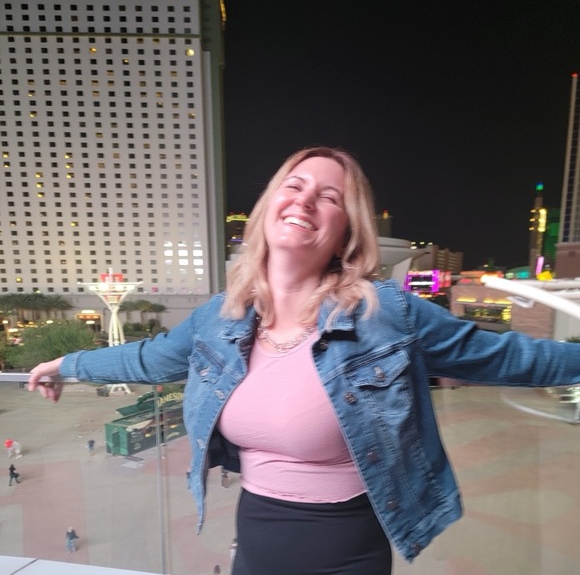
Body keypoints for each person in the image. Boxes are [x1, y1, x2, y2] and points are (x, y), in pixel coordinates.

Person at [27, 146, 580, 574]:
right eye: (294, 186)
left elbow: (512, 356)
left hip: (347, 552)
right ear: (269, 206)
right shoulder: (220, 317)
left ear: (346, 232)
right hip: (255, 542)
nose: (305, 201)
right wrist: (67, 365)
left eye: (329, 197)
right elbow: (152, 359)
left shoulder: (385, 314)